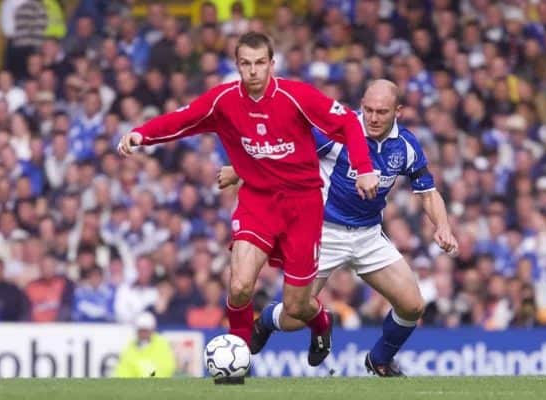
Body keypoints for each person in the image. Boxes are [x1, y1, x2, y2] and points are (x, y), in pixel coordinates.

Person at [118, 32, 378, 382]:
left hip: (303, 205)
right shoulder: (224, 101)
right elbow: (183, 118)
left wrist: (364, 169)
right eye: (246, 64)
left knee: (297, 305)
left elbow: (348, 121)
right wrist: (142, 134)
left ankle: (321, 321)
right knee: (239, 285)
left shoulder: (295, 95)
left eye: (260, 63)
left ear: (272, 64)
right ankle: (238, 364)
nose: (253, 71)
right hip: (257, 201)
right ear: (237, 65)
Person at [218, 79, 459, 376]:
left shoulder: (406, 145)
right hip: (324, 233)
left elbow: (428, 192)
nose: (372, 118)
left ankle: (380, 359)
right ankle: (267, 320)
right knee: (294, 313)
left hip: (368, 236)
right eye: (368, 109)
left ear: (398, 111)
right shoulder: (336, 132)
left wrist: (443, 226)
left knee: (413, 306)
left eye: (381, 112)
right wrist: (237, 169)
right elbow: (282, 150)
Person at [113, 311, 176, 378]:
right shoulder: (129, 349)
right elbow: (123, 371)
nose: (143, 334)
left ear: (152, 330)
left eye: (146, 331)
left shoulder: (162, 345)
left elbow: (167, 368)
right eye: (140, 330)